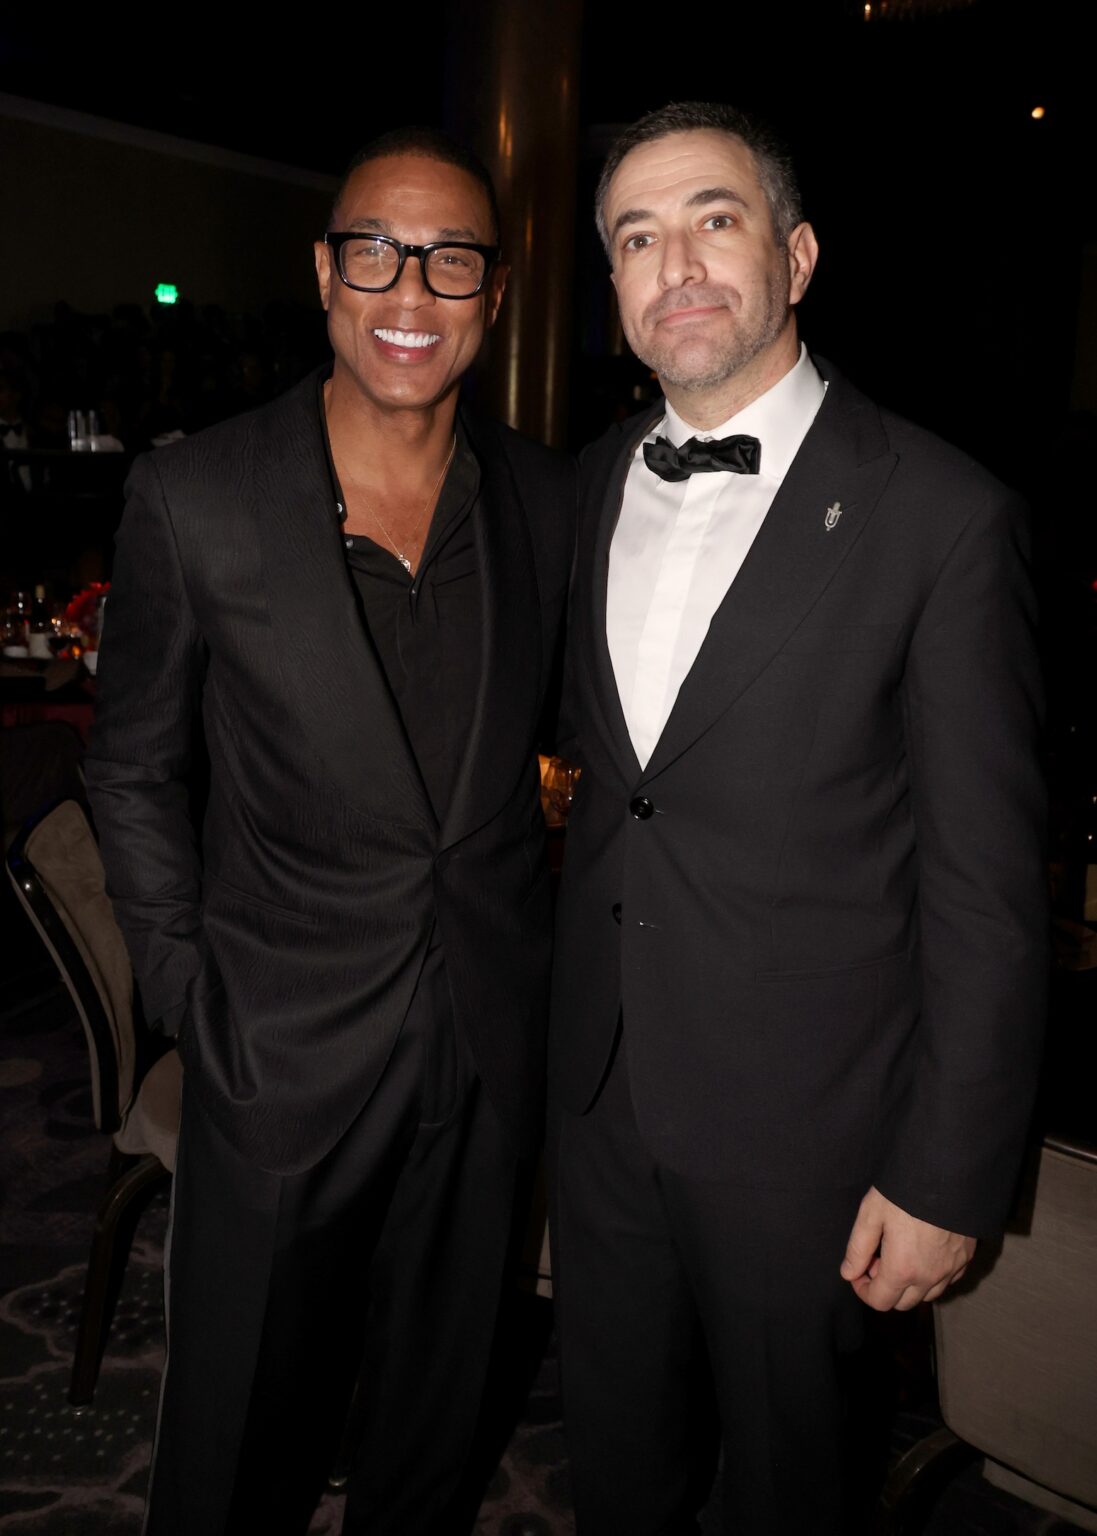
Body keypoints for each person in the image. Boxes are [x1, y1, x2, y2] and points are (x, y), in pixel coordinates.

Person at [548, 100, 1046, 1535]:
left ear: (799, 255)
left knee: (789, 1486)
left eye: (714, 219)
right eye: (636, 238)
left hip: (808, 1130)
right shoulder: (586, 485)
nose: (675, 263)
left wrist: (943, 1172)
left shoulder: (941, 514)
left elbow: (984, 891)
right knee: (617, 1468)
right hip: (599, 1097)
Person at [86, 127, 573, 1536]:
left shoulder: (547, 500)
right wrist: (187, 990)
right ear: (324, 271)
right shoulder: (200, 499)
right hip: (278, 1044)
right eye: (374, 249)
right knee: (240, 1437)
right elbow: (130, 773)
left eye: (449, 257)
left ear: (491, 291)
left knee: (439, 1423)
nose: (408, 290)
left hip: (484, 1047)